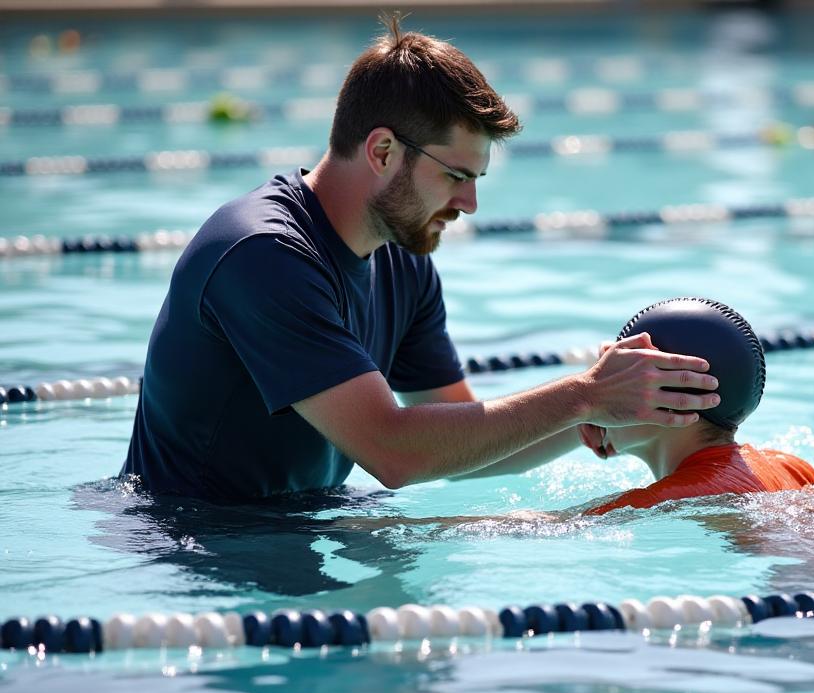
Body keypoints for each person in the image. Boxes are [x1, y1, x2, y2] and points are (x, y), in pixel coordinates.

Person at [121, 17, 721, 502]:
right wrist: (583, 395)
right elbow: (395, 453)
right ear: (382, 150)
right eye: (456, 174)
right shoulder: (263, 255)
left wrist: (597, 418)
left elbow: (453, 437)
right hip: (192, 544)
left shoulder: (400, 260)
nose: (471, 202)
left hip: (293, 527)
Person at [578, 298, 814, 515]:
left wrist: (582, 401)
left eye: (619, 381)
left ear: (670, 403)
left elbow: (546, 528)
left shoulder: (673, 498)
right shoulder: (786, 465)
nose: (604, 393)